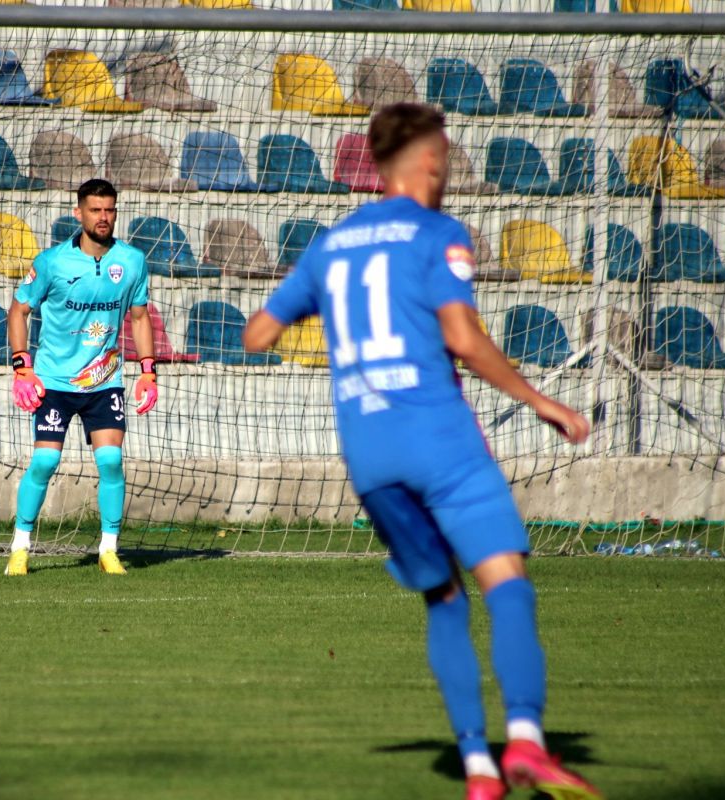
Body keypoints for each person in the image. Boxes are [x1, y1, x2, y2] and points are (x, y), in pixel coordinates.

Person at [242, 104, 602, 800]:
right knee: (507, 585)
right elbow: (463, 339)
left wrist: (327, 307)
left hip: (370, 459)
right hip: (442, 442)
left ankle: (477, 771)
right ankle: (524, 741)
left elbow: (258, 333)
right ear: (432, 160)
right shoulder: (439, 233)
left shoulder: (330, 245)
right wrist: (542, 402)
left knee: (443, 600)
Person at [4, 179, 157, 577]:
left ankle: (109, 549)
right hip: (55, 382)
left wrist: (148, 372)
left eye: (109, 210)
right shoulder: (52, 262)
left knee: (111, 461)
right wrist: (22, 368)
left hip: (104, 381)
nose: (103, 217)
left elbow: (139, 318)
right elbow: (18, 310)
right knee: (44, 462)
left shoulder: (133, 262)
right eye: (95, 210)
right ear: (79, 213)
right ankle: (20, 547)